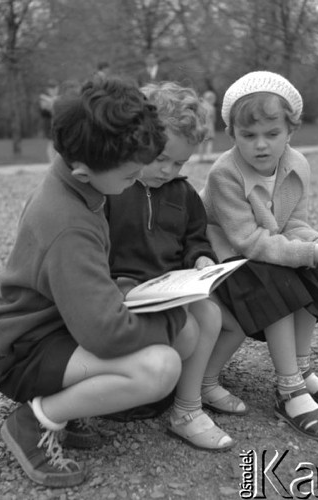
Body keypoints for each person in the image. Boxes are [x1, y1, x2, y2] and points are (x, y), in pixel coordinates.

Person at [0, 77, 189, 488]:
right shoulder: (68, 223)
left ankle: (63, 407)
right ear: (83, 169)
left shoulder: (76, 183)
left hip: (53, 328)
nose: (137, 178)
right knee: (161, 366)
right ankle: (35, 421)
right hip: (24, 351)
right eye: (130, 174)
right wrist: (170, 318)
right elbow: (106, 334)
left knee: (164, 344)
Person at [200, 71, 318, 442]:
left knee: (310, 271)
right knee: (281, 282)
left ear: (290, 131)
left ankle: (301, 371)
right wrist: (309, 251)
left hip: (262, 251)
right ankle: (289, 389)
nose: (260, 145)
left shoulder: (296, 164)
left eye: (272, 134)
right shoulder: (225, 173)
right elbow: (248, 241)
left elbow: (295, 224)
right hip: (226, 258)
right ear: (232, 133)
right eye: (248, 135)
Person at [106, 81, 238, 451]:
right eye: (160, 158)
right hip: (120, 291)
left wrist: (202, 258)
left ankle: (187, 409)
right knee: (190, 324)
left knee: (210, 316)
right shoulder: (114, 189)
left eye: (179, 162)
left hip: (169, 287)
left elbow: (194, 237)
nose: (167, 170)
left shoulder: (182, 194)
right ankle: (150, 394)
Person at [197, 90, 217, 161]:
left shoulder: (200, 107)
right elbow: (214, 119)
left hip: (201, 127)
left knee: (201, 143)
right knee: (209, 142)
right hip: (209, 128)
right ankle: (208, 157)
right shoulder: (212, 108)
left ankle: (200, 158)